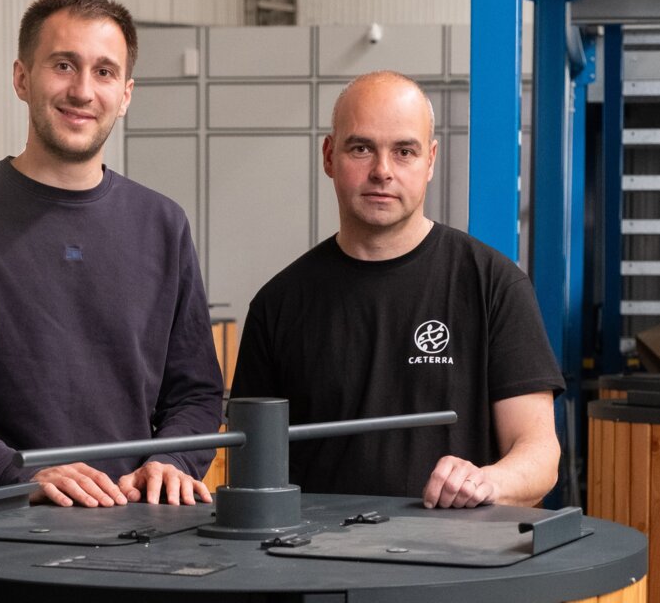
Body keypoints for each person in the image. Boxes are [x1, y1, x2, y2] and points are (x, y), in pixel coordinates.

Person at [0, 0, 223, 512]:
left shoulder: (163, 223)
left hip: (135, 531)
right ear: (22, 78)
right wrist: (18, 474)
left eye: (105, 72)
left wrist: (172, 461)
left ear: (125, 94)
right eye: (64, 65)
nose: (83, 90)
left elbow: (196, 394)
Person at [230, 70, 563, 509]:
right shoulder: (279, 304)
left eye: (404, 151)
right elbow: (252, 467)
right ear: (329, 156)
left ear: (430, 160)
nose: (382, 171)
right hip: (317, 563)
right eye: (361, 148)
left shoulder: (493, 285)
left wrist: (486, 481)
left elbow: (540, 454)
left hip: (455, 562)